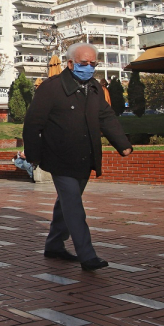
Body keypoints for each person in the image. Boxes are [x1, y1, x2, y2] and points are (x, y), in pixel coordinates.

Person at [23, 43, 133, 271]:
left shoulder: (93, 87)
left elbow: (107, 117)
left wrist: (122, 145)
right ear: (70, 63)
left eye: (93, 63)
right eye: (84, 63)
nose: (89, 68)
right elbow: (33, 124)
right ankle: (87, 255)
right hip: (59, 157)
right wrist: (33, 155)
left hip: (85, 157)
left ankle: (54, 244)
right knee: (74, 205)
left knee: (66, 204)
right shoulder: (51, 88)